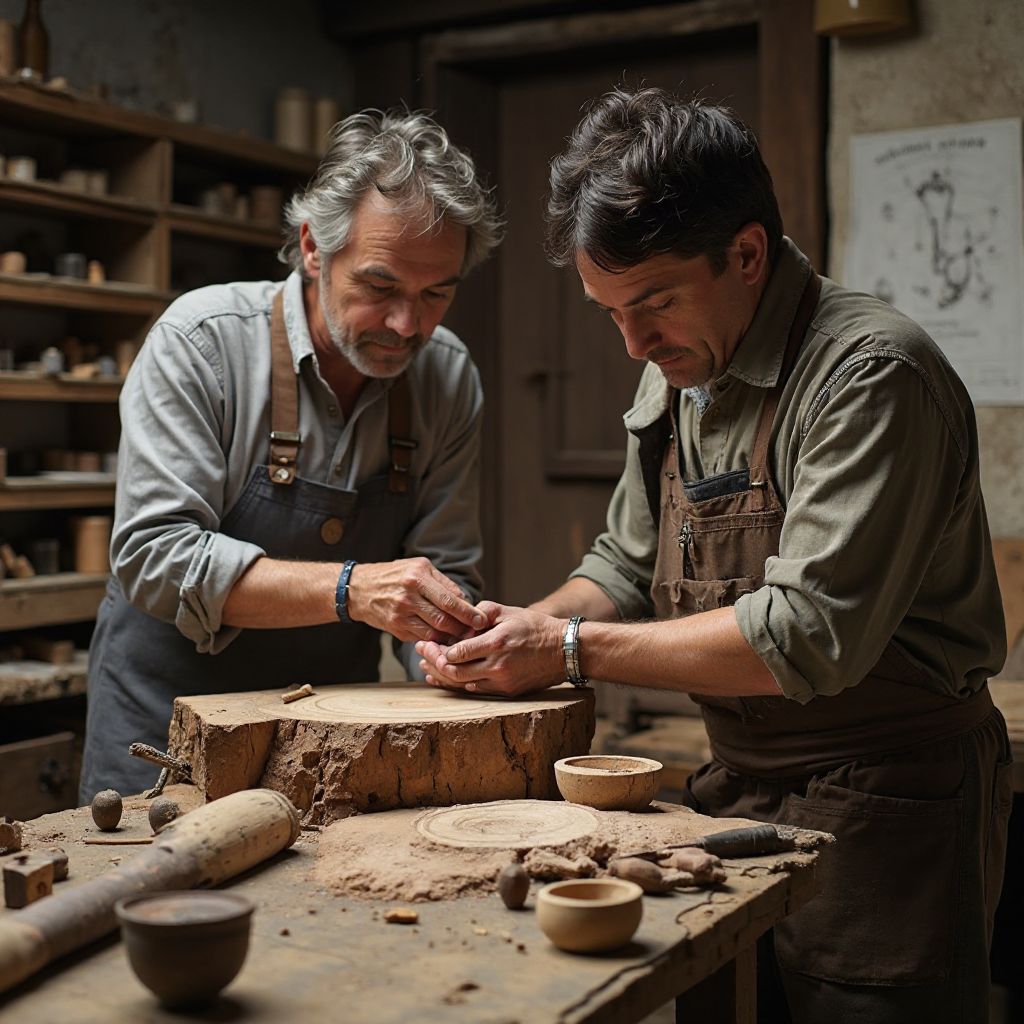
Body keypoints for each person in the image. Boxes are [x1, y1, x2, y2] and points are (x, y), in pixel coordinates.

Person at [418, 88, 1012, 1023]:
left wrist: (568, 653)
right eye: (610, 313)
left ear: (746, 254)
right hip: (736, 787)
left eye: (652, 305)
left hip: (889, 795)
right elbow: (622, 562)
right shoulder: (683, 374)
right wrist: (524, 624)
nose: (634, 344)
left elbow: (807, 635)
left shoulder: (871, 377)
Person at [81, 109, 503, 800]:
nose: (408, 325)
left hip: (328, 736)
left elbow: (447, 563)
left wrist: (450, 647)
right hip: (163, 728)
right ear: (313, 248)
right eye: (381, 287)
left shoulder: (447, 377)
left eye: (436, 294)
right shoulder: (201, 342)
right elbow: (153, 554)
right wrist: (351, 589)